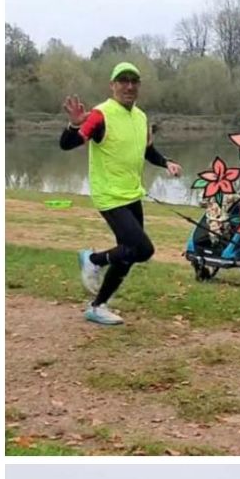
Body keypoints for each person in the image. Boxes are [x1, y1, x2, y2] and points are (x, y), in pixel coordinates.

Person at [59, 62, 183, 326]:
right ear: (112, 85)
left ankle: (97, 305)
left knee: (130, 252)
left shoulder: (140, 117)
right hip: (108, 195)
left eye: (134, 81)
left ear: (138, 86)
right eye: (123, 80)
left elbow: (146, 151)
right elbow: (67, 145)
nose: (129, 86)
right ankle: (93, 260)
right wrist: (72, 125)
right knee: (143, 248)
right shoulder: (100, 115)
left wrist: (166, 163)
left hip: (131, 194)